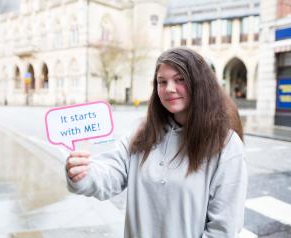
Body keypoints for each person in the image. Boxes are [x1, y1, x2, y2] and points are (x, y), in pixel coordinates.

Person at [65, 48, 247, 238]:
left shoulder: (226, 145)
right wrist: (82, 174)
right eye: (162, 81)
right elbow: (110, 176)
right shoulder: (140, 133)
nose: (169, 88)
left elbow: (224, 227)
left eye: (180, 79)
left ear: (199, 83)